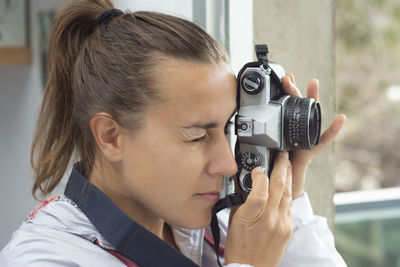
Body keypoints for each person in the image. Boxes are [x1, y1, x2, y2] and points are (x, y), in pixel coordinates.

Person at [0, 0, 347, 266]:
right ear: (111, 137)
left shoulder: (217, 230)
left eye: (229, 128)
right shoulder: (45, 258)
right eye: (197, 136)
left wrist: (290, 199)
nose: (228, 165)